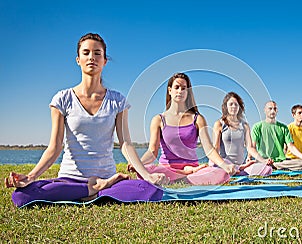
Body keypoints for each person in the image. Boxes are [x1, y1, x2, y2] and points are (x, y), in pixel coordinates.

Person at [5, 33, 168, 207]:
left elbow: (126, 144)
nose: (92, 57)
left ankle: (103, 185)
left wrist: (146, 175)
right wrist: (31, 176)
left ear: (105, 61)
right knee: (21, 196)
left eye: (97, 53)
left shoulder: (117, 101)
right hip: (70, 179)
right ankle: (93, 190)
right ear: (78, 59)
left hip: (106, 175)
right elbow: (55, 146)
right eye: (86, 53)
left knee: (152, 190)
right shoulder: (63, 99)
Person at [133, 73, 236, 185]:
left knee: (221, 173)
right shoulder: (158, 119)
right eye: (176, 87)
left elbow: (209, 149)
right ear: (170, 90)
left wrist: (224, 165)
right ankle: (183, 177)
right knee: (147, 170)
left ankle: (181, 178)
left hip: (193, 169)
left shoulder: (198, 119)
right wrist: (139, 163)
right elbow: (152, 151)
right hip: (167, 169)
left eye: (184, 88)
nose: (180, 91)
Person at [210, 92, 272, 176]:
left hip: (240, 166)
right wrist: (217, 163)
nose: (234, 107)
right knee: (219, 164)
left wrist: (263, 160)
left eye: (236, 104)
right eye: (231, 104)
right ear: (225, 107)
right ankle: (234, 170)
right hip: (224, 164)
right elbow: (216, 148)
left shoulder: (245, 125)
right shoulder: (219, 124)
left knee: (267, 169)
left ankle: (239, 169)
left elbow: (250, 148)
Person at [251, 101, 302, 170]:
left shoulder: (283, 127)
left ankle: (272, 166)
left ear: (277, 111)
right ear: (265, 110)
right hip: (263, 160)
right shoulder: (257, 127)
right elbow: (252, 147)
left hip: (280, 162)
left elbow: (290, 146)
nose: (273, 111)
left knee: (301, 163)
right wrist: (253, 158)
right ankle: (267, 166)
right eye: (270, 108)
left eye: (275, 109)